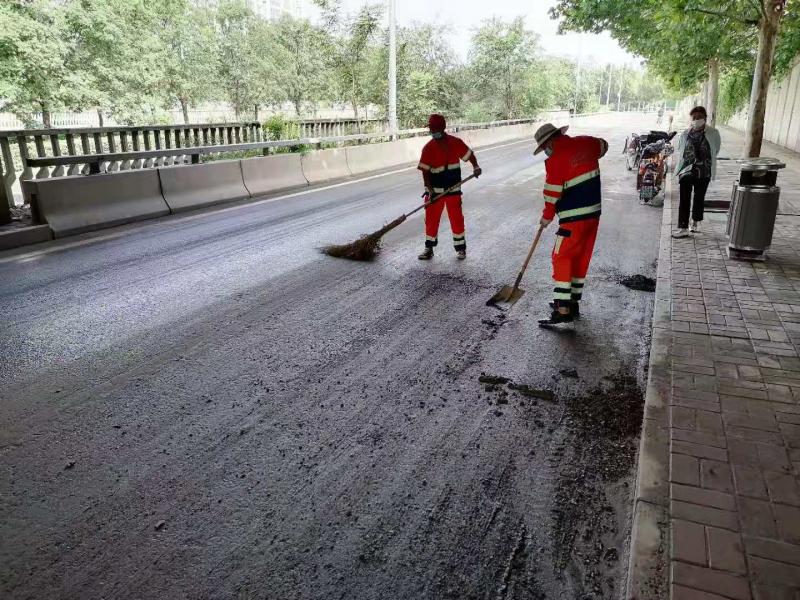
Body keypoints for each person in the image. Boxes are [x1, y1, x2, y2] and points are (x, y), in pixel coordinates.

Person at [534, 123, 609, 326]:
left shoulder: (555, 160)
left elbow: (552, 194)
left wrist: (546, 217)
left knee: (561, 257)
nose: (545, 152)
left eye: (544, 147)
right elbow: (604, 146)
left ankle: (563, 309)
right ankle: (572, 303)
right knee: (580, 258)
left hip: (573, 219)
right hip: (593, 215)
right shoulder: (587, 142)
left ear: (549, 141)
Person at [416, 114, 481, 260]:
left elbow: (470, 155)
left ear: (443, 128)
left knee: (457, 219)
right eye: (431, 129)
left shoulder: (455, 142)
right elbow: (425, 173)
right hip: (435, 192)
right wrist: (430, 190)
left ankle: (461, 249)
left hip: (453, 189)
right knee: (431, 220)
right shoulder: (428, 148)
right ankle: (429, 248)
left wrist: (476, 166)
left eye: (435, 129)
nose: (433, 132)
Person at [672, 106, 721, 238]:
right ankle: (683, 227)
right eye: (694, 118)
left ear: (705, 118)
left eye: (699, 117)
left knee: (699, 198)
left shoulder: (713, 133)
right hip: (686, 171)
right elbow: (680, 150)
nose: (697, 120)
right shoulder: (685, 134)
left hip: (704, 171)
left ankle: (695, 223)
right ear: (691, 119)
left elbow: (716, 149)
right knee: (684, 199)